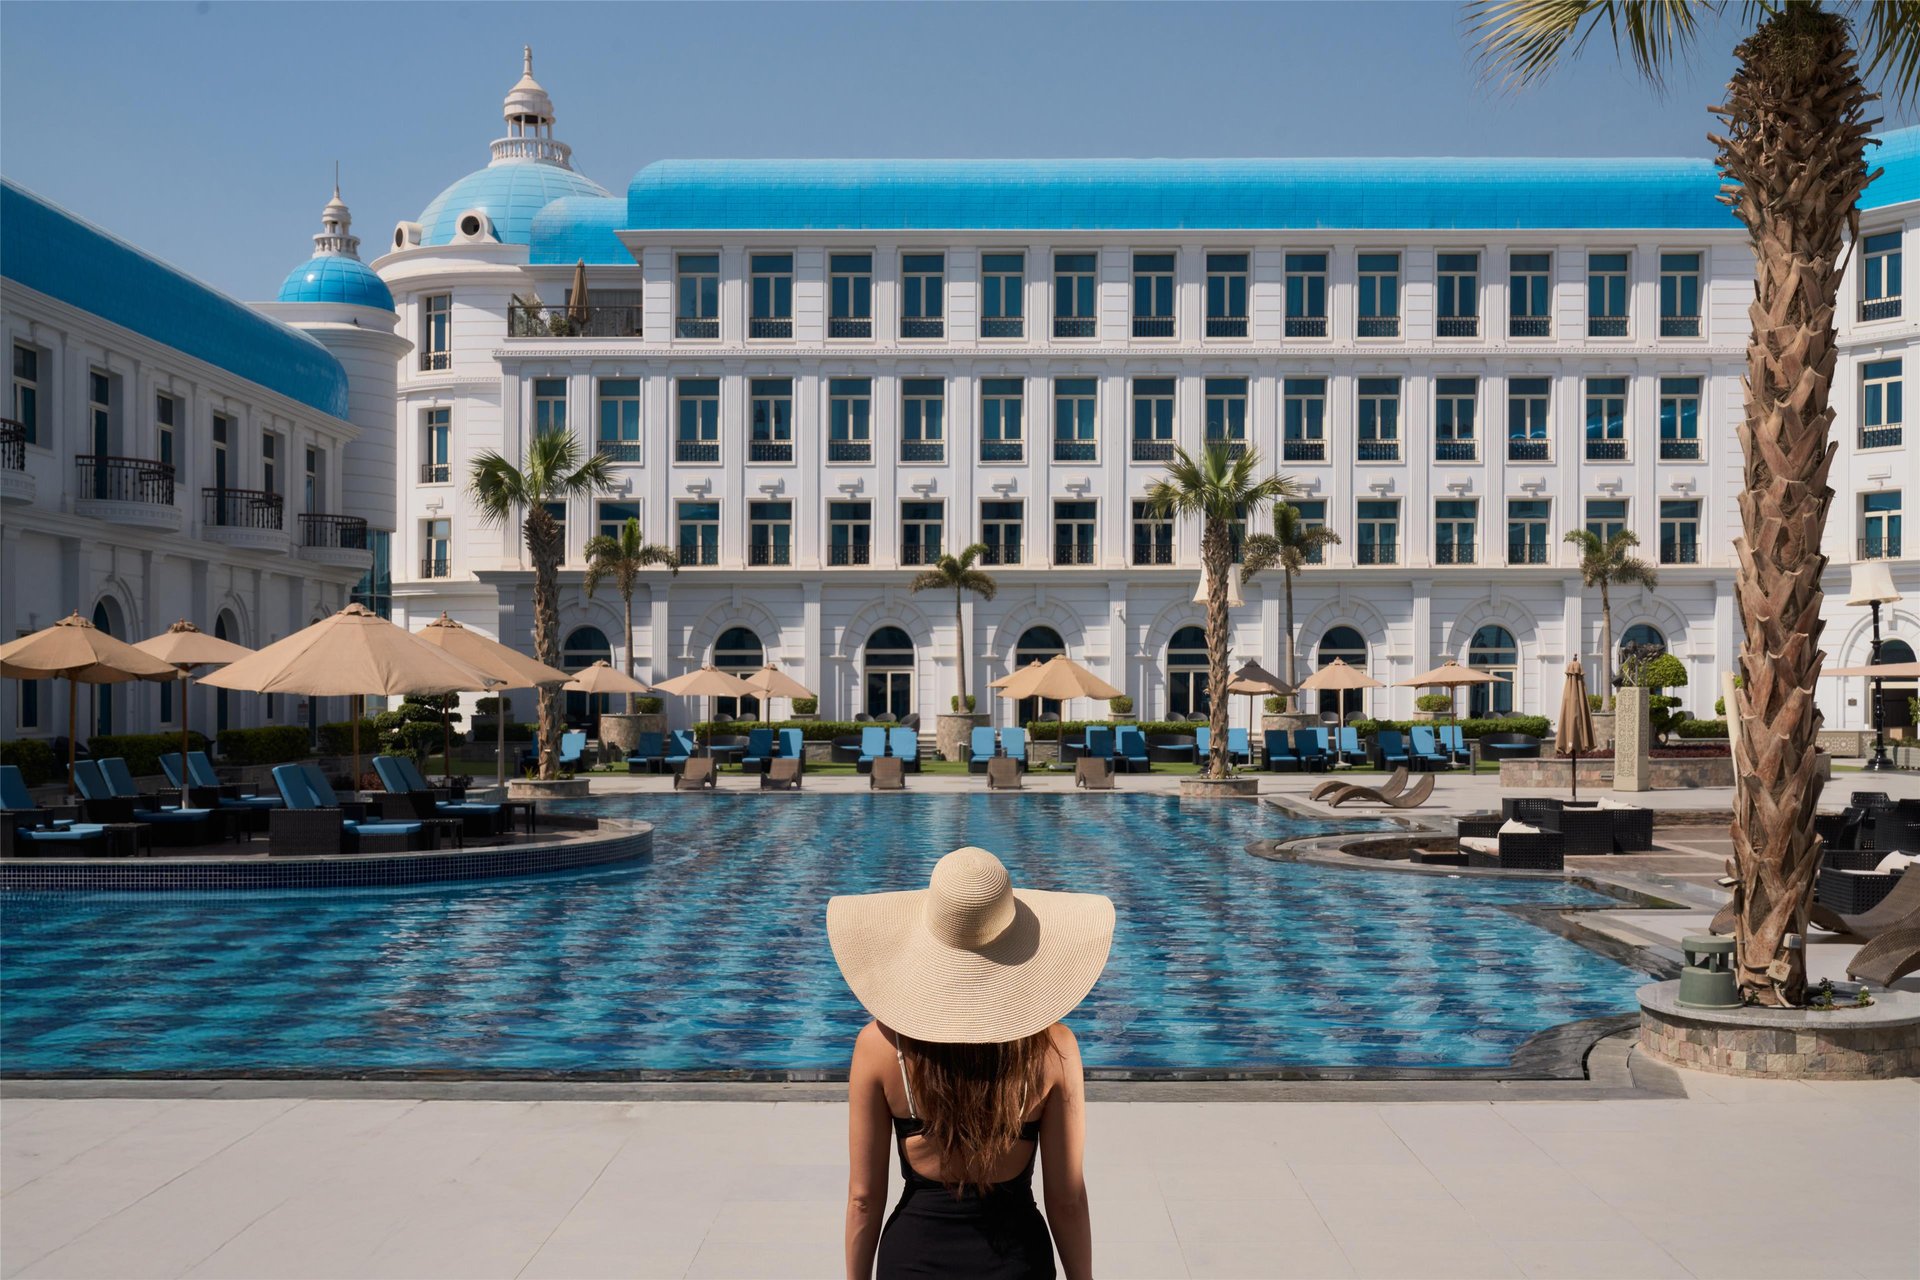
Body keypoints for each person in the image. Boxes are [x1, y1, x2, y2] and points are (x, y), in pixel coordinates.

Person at [829, 846, 1114, 1280]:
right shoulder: (1055, 1048)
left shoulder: (880, 1047)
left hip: (912, 1261)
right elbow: (1067, 1199)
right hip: (1017, 1261)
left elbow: (863, 1198)